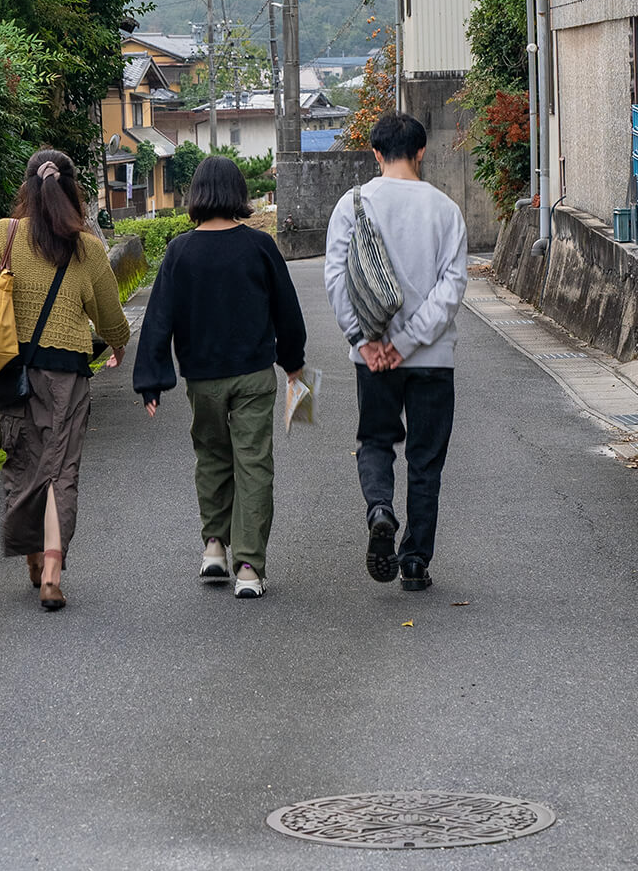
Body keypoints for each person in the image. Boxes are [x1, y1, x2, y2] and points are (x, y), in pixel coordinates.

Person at [132, 155, 306, 598]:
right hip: (252, 375)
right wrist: (293, 362)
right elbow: (286, 309)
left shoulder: (180, 250)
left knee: (210, 458)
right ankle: (248, 568)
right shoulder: (259, 246)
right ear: (238, 195)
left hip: (202, 379)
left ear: (197, 195)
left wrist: (151, 378)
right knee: (253, 465)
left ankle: (214, 547)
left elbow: (158, 318)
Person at [0, 148, 130, 612]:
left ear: (27, 187)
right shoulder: (88, 248)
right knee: (62, 471)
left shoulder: (6, 233)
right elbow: (109, 313)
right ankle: (52, 574)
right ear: (73, 188)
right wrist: (119, 346)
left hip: (16, 373)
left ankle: (34, 558)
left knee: (25, 463)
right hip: (69, 376)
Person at [324, 112, 467, 592]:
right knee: (426, 461)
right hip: (431, 360)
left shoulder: (353, 204)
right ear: (422, 151)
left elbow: (337, 280)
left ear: (376, 153)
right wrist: (406, 344)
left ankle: (380, 509)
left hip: (372, 359)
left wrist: (367, 342)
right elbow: (451, 291)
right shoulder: (446, 210)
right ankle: (413, 562)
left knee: (376, 442)